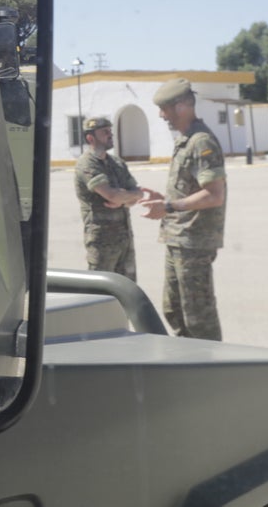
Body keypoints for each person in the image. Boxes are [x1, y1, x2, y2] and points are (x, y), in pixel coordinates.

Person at [139, 78, 227, 341]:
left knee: (198, 317)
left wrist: (168, 206)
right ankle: (191, 362)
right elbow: (191, 189)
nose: (160, 115)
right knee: (173, 310)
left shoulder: (201, 141)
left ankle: (212, 368)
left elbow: (213, 195)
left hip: (194, 241)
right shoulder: (185, 141)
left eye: (164, 108)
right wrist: (164, 198)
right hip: (178, 238)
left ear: (181, 107)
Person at [73, 117, 156, 282]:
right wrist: (121, 197)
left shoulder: (117, 162)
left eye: (110, 131)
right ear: (90, 138)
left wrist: (123, 198)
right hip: (101, 241)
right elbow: (112, 196)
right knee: (101, 291)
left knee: (128, 290)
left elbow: (138, 194)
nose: (110, 135)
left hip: (124, 239)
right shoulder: (87, 164)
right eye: (105, 132)